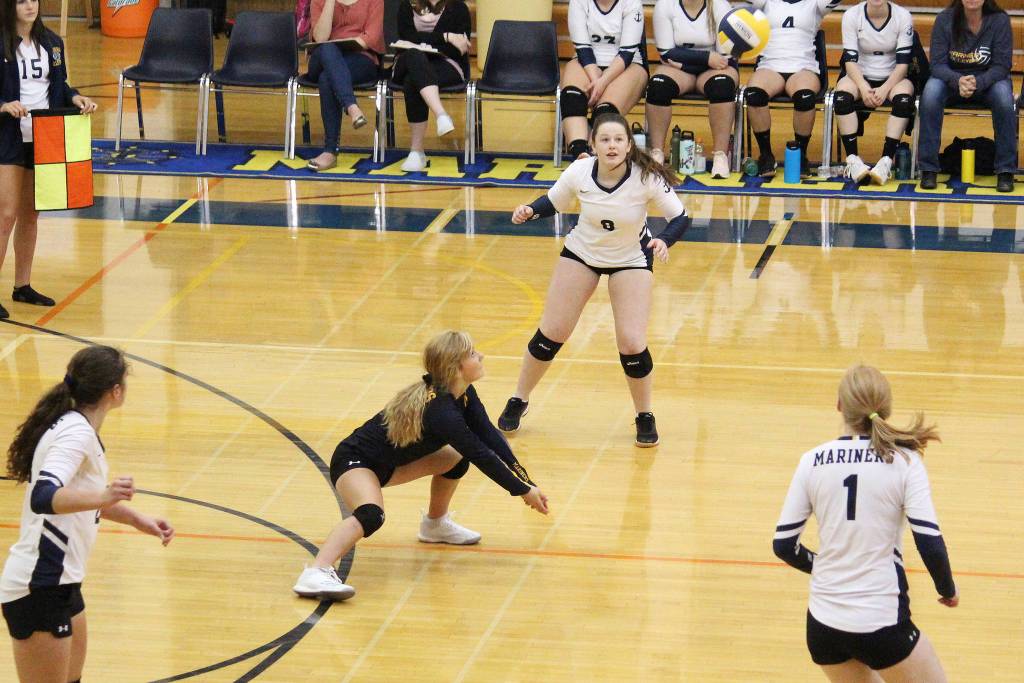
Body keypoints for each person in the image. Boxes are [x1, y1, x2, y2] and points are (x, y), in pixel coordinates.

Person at [293, 330, 549, 601]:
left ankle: (435, 525)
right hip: (355, 462)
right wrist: (522, 491)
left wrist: (526, 482)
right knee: (371, 515)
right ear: (457, 367)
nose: (481, 356)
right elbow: (480, 455)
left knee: (454, 457)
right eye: (473, 354)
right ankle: (317, 571)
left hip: (391, 465)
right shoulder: (441, 412)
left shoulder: (463, 393)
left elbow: (489, 436)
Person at [497, 113, 689, 448]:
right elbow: (553, 202)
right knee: (552, 332)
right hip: (582, 253)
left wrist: (664, 240)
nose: (612, 146)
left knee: (631, 343)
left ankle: (644, 414)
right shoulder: (580, 170)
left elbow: (680, 217)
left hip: (631, 258)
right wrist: (530, 210)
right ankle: (519, 398)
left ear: (628, 146)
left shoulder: (645, 176)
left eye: (618, 140)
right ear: (594, 145)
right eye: (605, 140)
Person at [0, 345, 175, 683]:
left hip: (63, 582)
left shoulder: (77, 426)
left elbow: (76, 497)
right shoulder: (75, 433)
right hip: (39, 585)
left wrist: (137, 519)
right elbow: (43, 496)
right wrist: (104, 495)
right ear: (115, 391)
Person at [774, 365, 957, 682]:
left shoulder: (811, 461)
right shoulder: (905, 461)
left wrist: (824, 565)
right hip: (881, 624)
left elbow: (784, 545)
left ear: (839, 405)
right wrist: (947, 589)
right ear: (886, 409)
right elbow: (929, 542)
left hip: (823, 627)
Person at [0, 0, 96, 320]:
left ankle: (22, 285)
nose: (30, 6)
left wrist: (75, 97)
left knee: (30, 214)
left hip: (44, 137)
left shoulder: (52, 43)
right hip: (8, 137)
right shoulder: (2, 42)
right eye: (21, 1)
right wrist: (4, 105)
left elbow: (59, 84)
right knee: (5, 215)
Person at [918, 0, 1015, 193]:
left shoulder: (1000, 20)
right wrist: (958, 81)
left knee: (1005, 98)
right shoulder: (944, 19)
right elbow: (936, 65)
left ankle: (1005, 170)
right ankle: (928, 168)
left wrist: (978, 82)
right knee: (930, 93)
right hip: (952, 81)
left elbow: (1002, 65)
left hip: (989, 81)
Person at [745, 0, 842, 176]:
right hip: (770, 67)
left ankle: (800, 154)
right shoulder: (766, 2)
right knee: (754, 94)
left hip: (803, 68)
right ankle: (766, 155)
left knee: (805, 97)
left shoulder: (815, 4)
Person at [646, 0, 736, 178]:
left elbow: (723, 59)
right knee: (658, 85)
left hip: (712, 70)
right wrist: (706, 58)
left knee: (722, 85)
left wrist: (684, 63)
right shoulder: (665, 5)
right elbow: (666, 53)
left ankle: (720, 156)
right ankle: (657, 154)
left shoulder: (720, 6)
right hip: (682, 69)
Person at [836, 0, 916, 185]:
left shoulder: (902, 16)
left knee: (904, 100)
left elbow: (903, 65)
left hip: (893, 77)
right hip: (859, 75)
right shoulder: (851, 15)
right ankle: (853, 160)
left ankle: (886, 161)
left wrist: (884, 89)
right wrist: (863, 87)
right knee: (841, 97)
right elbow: (849, 62)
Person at [561, 0, 648, 160]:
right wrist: (596, 79)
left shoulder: (631, 3)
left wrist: (602, 82)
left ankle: (595, 153)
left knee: (604, 112)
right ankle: (580, 155)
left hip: (627, 64)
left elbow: (627, 53)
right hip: (586, 62)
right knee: (572, 97)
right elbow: (582, 49)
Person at [304, 0, 384, 172]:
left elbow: (371, 37)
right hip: (322, 58)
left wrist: (347, 43)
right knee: (328, 48)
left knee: (327, 78)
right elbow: (320, 38)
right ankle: (352, 107)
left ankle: (330, 151)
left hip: (359, 58)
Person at [394, 0, 471, 173]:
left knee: (413, 80)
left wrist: (424, 42)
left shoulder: (458, 7)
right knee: (414, 55)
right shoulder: (407, 4)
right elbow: (406, 37)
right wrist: (446, 37)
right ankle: (441, 114)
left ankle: (416, 152)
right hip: (407, 61)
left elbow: (459, 49)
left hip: (446, 64)